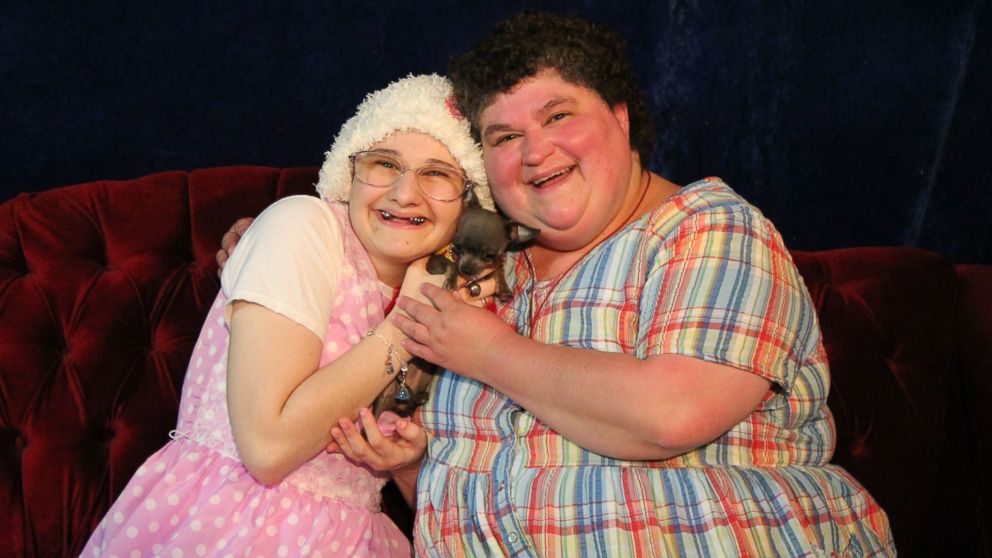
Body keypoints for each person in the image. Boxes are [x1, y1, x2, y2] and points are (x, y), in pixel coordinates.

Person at [323, 12, 898, 557]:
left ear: (620, 118)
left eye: (557, 116)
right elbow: (482, 494)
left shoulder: (709, 229)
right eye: (502, 137)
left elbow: (673, 413)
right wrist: (407, 466)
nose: (534, 151)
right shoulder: (489, 268)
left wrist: (490, 352)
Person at [81, 73, 495, 557]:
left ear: (469, 201)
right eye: (384, 164)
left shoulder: (459, 298)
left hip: (354, 538)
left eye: (437, 174)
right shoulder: (303, 227)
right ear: (350, 172)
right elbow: (268, 449)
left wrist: (405, 466)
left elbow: (448, 513)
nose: (405, 193)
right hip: (229, 526)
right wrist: (408, 323)